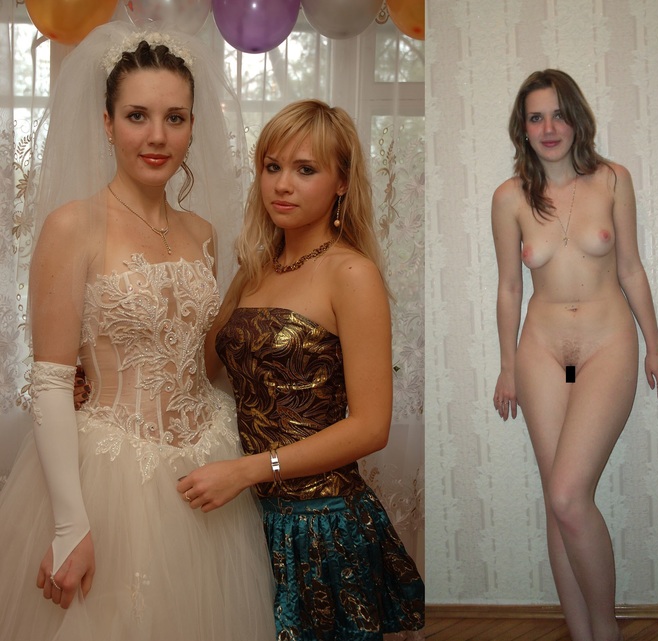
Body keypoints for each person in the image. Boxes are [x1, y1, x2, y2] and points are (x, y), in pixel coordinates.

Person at [0, 22, 276, 640]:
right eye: (137, 116)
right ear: (107, 123)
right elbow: (50, 382)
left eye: (175, 118)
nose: (157, 136)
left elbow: (197, 362)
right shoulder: (73, 226)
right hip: (112, 478)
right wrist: (70, 524)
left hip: (207, 465)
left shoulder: (203, 232)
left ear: (193, 126)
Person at [177, 99, 425, 640]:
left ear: (342, 182)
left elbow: (371, 428)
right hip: (247, 521)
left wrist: (246, 470)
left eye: (305, 169)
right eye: (272, 167)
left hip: (320, 524)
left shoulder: (351, 273)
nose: (282, 185)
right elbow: (200, 371)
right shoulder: (254, 270)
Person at [492, 69, 658, 641]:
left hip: (605, 344)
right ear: (523, 128)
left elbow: (631, 269)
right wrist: (506, 366)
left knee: (569, 494)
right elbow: (509, 288)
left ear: (577, 118)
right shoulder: (509, 197)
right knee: (558, 501)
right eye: (536, 117)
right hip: (542, 352)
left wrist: (655, 345)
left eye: (558, 114)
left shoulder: (613, 180)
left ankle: (606, 630)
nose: (549, 127)